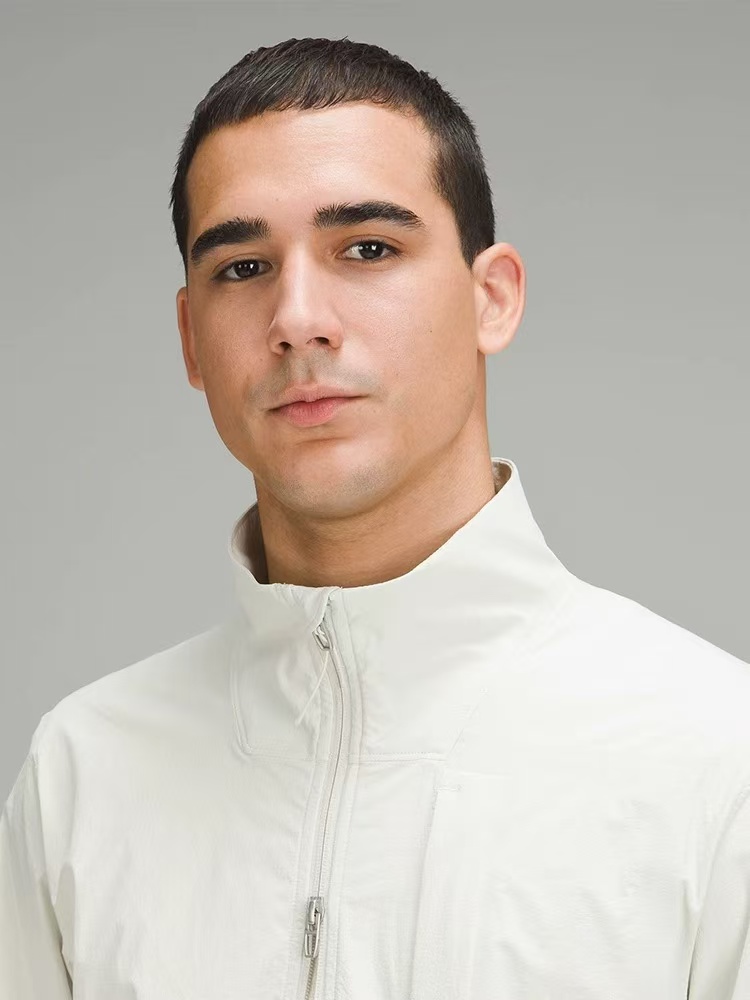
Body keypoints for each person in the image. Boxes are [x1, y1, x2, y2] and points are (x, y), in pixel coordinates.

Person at [1, 34, 748, 1000]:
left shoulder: (715, 755)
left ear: (492, 298)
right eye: (242, 266)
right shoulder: (84, 774)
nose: (297, 319)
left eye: (367, 249)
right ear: (190, 339)